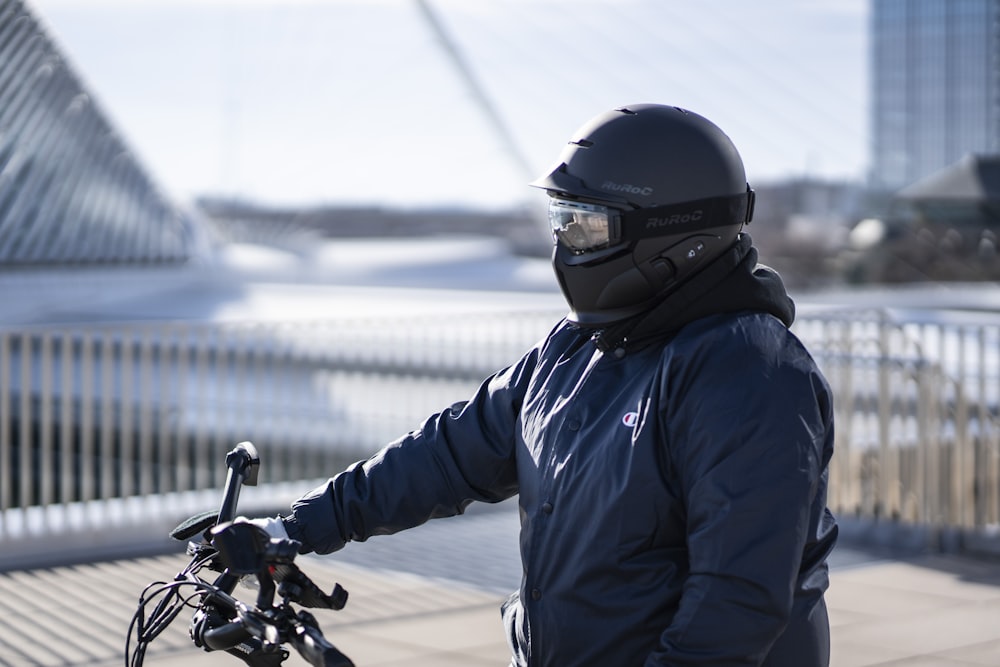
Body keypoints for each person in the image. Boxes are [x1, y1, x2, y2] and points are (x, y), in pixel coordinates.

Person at [255, 103, 839, 666]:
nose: (566, 243)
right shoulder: (579, 346)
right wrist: (296, 527)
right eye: (563, 219)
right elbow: (450, 453)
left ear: (674, 235)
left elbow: (735, 602)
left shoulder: (746, 370)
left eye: (587, 225)